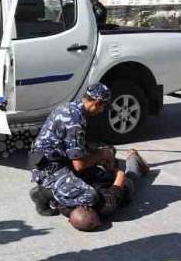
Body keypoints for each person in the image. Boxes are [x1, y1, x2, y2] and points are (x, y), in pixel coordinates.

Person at [29, 82, 116, 217]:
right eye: (103, 107)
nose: (102, 111)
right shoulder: (74, 122)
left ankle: (61, 189)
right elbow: (79, 165)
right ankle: (44, 193)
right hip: (48, 170)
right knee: (91, 196)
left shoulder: (72, 108)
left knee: (106, 177)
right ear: (97, 103)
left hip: (60, 160)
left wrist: (98, 154)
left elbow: (77, 148)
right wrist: (101, 155)